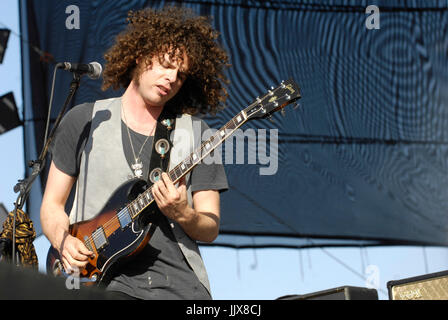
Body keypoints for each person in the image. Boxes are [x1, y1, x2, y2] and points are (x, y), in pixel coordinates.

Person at [40, 6, 230, 300]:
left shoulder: (198, 134)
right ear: (140, 56)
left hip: (177, 287)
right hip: (100, 282)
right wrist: (62, 241)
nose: (171, 78)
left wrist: (183, 213)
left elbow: (210, 227)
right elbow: (52, 205)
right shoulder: (86, 120)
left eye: (180, 75)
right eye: (165, 64)